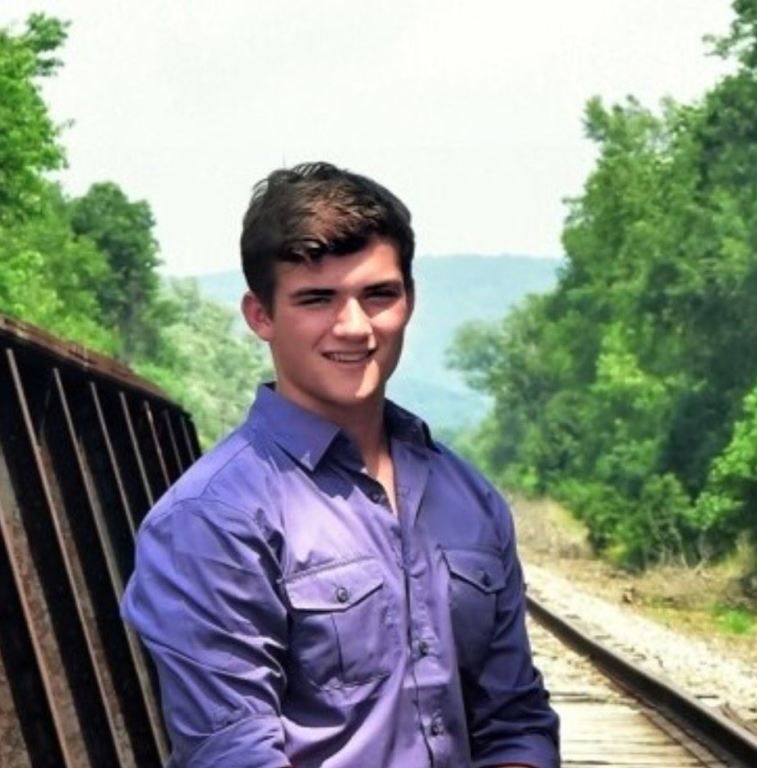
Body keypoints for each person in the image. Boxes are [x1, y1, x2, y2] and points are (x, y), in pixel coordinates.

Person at [122, 162, 560, 768]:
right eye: (317, 298)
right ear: (260, 316)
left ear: (409, 299)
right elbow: (234, 755)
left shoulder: (470, 498)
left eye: (378, 294)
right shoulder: (212, 521)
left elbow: (515, 720)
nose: (354, 327)